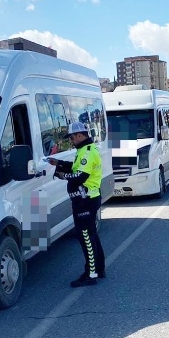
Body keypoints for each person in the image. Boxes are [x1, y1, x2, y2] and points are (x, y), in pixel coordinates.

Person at [46, 122, 106, 287]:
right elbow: (76, 167)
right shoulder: (85, 150)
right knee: (92, 235)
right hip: (87, 198)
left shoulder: (87, 152)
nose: (71, 140)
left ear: (80, 135)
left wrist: (61, 175)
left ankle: (91, 274)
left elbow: (79, 176)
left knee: (86, 237)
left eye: (72, 137)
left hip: (84, 200)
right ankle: (99, 269)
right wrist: (58, 163)